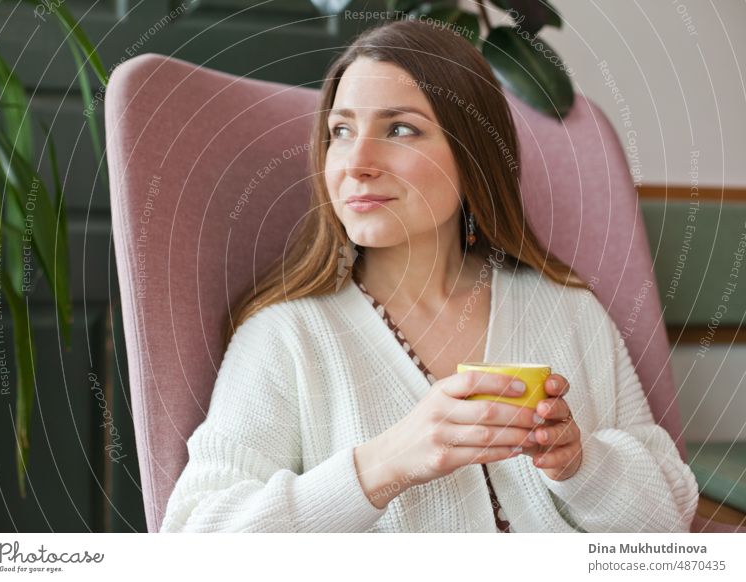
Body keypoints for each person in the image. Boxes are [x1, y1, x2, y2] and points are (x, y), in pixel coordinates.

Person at [160, 18, 698, 533]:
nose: (356, 162)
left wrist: (583, 465)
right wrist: (381, 467)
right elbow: (194, 537)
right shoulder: (284, 336)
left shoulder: (567, 310)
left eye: (399, 129)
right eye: (341, 131)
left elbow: (668, 519)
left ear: (474, 157)